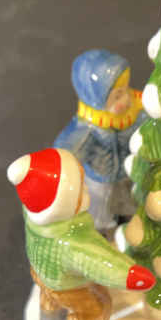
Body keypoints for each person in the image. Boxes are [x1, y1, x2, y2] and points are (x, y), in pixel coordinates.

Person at [7, 147, 155, 320]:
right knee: (95, 306)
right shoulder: (72, 242)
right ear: (63, 203)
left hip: (42, 273)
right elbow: (98, 262)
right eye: (79, 187)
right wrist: (130, 275)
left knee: (50, 296)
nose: (85, 188)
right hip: (70, 285)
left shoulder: (36, 218)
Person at [53, 49, 144, 232]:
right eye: (117, 96)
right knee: (102, 208)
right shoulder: (88, 128)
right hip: (101, 179)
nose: (126, 98)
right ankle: (105, 233)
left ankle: (130, 224)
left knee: (128, 201)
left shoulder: (135, 112)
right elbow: (67, 151)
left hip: (128, 172)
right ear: (96, 98)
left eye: (126, 90)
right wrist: (62, 170)